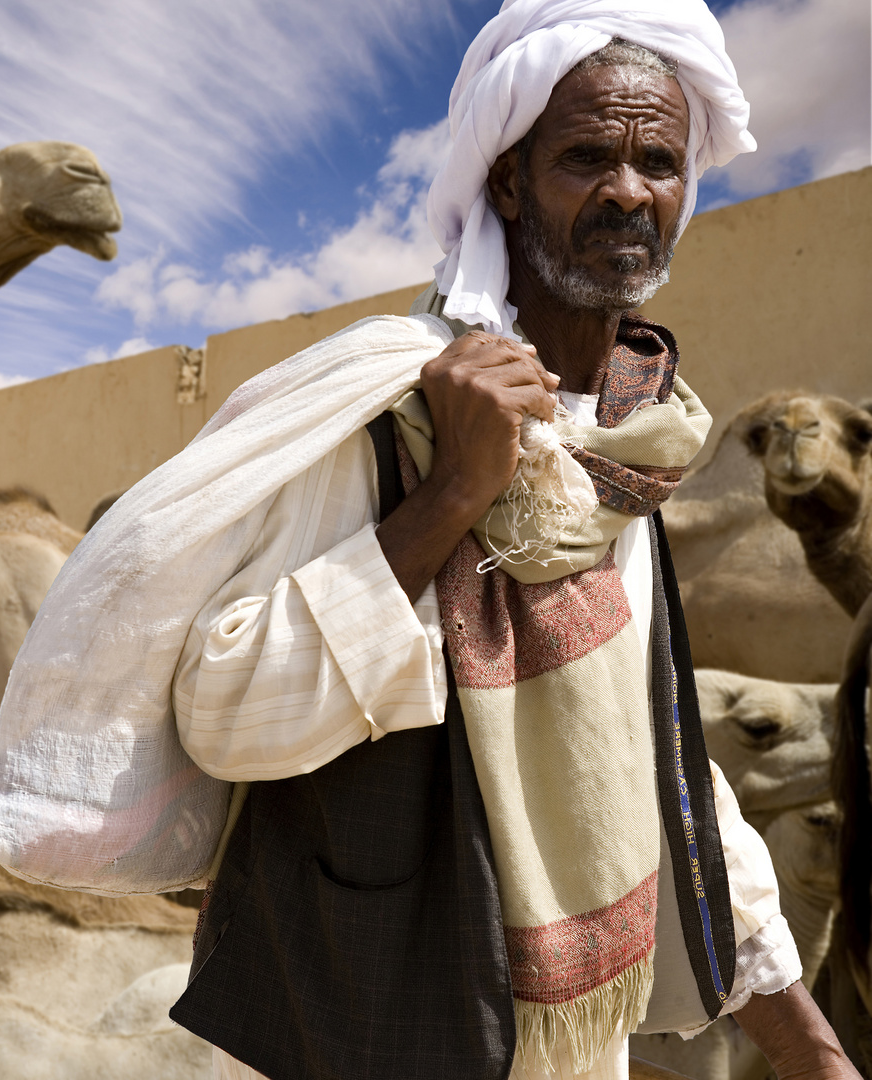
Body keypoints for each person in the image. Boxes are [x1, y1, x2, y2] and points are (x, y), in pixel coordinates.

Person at [149, 5, 859, 1079]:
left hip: (581, 1045)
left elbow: (650, 754)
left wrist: (810, 1045)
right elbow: (225, 714)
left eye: (658, 161)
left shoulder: (632, 441)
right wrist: (451, 497)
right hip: (376, 1032)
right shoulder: (383, 413)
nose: (629, 191)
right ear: (510, 182)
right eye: (587, 156)